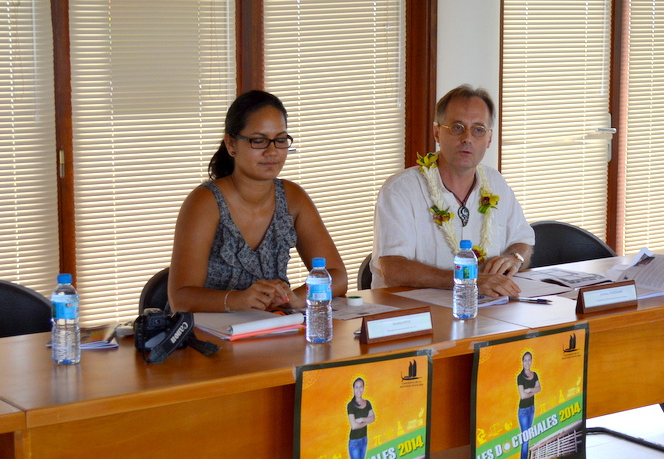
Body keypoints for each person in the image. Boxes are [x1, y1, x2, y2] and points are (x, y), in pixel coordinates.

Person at [168, 90, 347, 313]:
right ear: (231, 144)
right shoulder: (205, 202)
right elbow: (181, 298)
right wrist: (238, 300)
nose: (272, 152)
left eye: (280, 140)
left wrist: (297, 297)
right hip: (207, 339)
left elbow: (336, 276)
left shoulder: (293, 197)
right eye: (259, 141)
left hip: (274, 331)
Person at [371, 85, 534, 296]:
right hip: (416, 315)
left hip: (489, 311)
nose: (467, 138)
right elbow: (393, 269)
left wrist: (515, 258)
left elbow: (523, 240)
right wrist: (468, 281)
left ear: (489, 139)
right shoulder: (400, 190)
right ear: (437, 133)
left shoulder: (495, 183)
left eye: (478, 130)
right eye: (457, 127)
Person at [517, 351, 541, 459]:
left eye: (529, 360)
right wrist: (533, 392)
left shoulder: (535, 374)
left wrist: (530, 390)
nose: (527, 362)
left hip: (532, 408)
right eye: (525, 360)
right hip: (523, 411)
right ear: (522, 362)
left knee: (528, 436)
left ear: (532, 361)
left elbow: (539, 388)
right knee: (525, 439)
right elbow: (522, 396)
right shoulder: (520, 377)